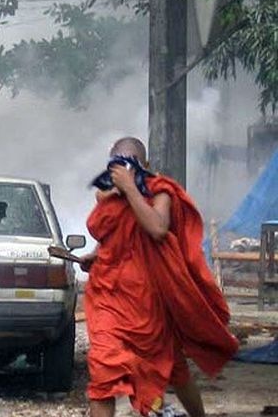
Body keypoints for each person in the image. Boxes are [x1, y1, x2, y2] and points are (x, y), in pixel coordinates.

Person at [81, 137, 238, 417]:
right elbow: (113, 235)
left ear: (145, 165)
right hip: (109, 296)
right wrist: (96, 253)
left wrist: (131, 189)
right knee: (103, 370)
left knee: (174, 367)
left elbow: (156, 229)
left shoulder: (159, 191)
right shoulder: (106, 196)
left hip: (150, 300)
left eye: (130, 164)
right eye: (117, 164)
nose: (123, 170)